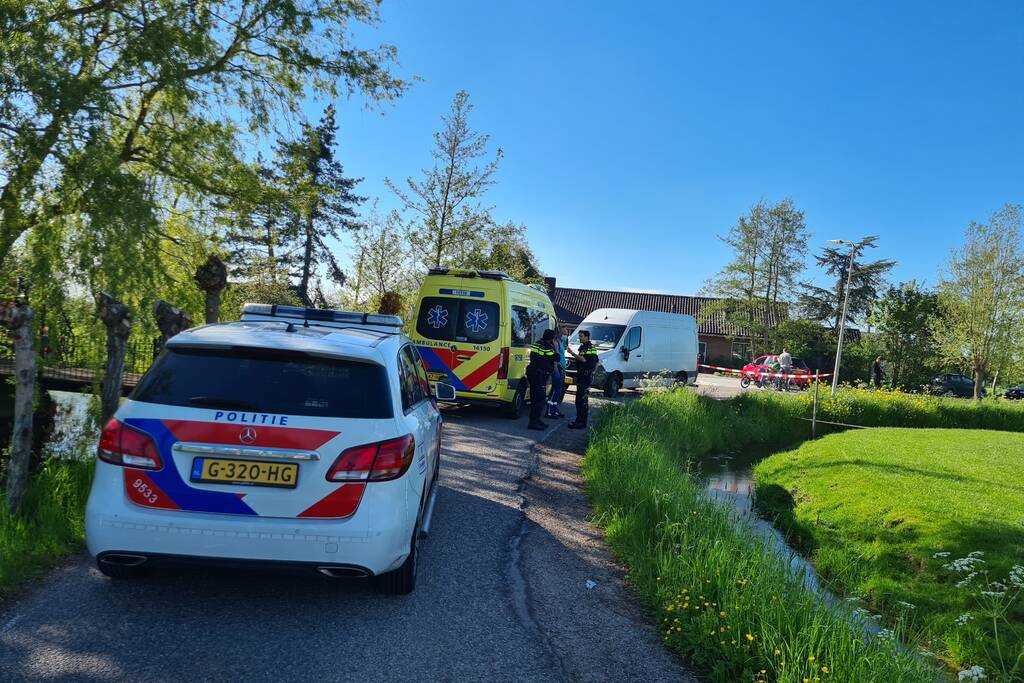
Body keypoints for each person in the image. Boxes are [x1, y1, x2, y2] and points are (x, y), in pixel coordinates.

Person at [526, 329, 557, 431]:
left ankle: (537, 420)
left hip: (532, 372)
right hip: (538, 375)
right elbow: (556, 357)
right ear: (551, 339)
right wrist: (555, 348)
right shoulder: (547, 347)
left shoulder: (536, 344)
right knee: (539, 399)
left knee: (536, 398)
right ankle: (534, 422)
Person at [566, 330, 598, 429]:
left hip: (585, 377)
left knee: (581, 400)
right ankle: (579, 420)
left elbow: (584, 360)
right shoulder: (584, 347)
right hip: (583, 376)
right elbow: (597, 362)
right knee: (579, 400)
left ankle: (581, 422)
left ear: (587, 337)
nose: (579, 338)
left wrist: (572, 353)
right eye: (579, 336)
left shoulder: (589, 347)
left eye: (581, 336)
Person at [546, 331, 567, 419]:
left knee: (558, 390)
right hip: (557, 368)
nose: (566, 335)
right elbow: (555, 357)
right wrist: (555, 370)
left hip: (561, 368)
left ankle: (554, 409)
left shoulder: (561, 342)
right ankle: (549, 411)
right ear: (560, 334)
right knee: (554, 390)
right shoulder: (555, 343)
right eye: (565, 332)